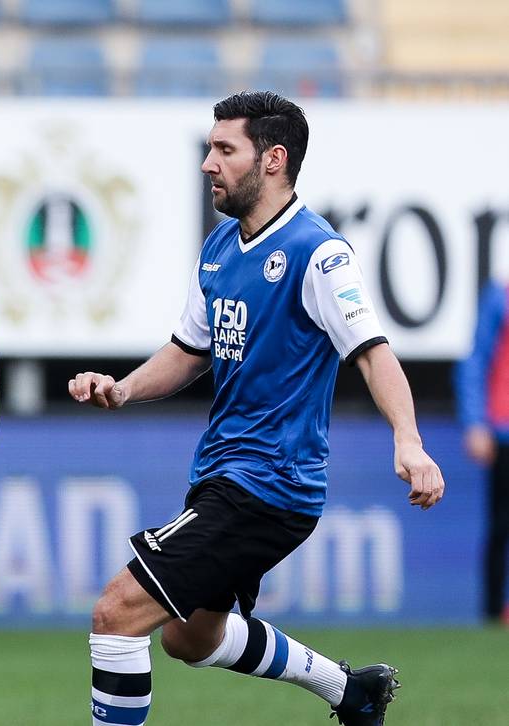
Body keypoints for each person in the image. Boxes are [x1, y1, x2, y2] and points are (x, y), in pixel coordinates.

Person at [69, 91, 445, 726]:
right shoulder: (220, 246)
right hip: (223, 475)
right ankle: (350, 691)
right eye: (209, 148)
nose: (208, 163)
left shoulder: (318, 253)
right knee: (189, 637)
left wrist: (408, 440)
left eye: (225, 149)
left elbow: (372, 351)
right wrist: (124, 389)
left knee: (117, 612)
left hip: (269, 483)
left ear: (273, 159)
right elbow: (188, 350)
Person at [455, 280, 509, 624]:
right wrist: (475, 422)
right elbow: (476, 360)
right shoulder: (501, 296)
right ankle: (493, 611)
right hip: (504, 429)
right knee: (502, 525)